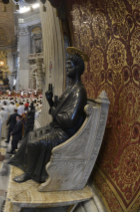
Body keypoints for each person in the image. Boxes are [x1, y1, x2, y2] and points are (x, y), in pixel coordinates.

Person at [9, 50, 88, 183]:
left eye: (70, 65)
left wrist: (54, 110)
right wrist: (50, 100)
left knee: (34, 144)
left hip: (64, 133)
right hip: (57, 127)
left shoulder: (79, 91)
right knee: (29, 136)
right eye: (67, 64)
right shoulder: (70, 88)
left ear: (77, 68)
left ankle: (32, 173)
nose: (67, 68)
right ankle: (23, 164)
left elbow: (68, 121)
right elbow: (57, 111)